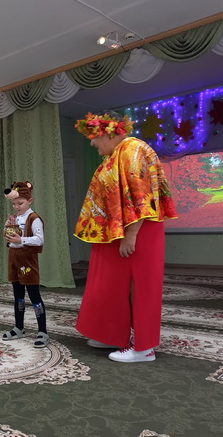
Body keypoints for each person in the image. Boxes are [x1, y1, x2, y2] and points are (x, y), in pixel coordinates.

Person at [73, 111, 177, 363]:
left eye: (93, 136)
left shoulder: (132, 149)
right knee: (111, 284)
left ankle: (143, 348)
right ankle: (112, 335)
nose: (91, 143)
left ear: (109, 133)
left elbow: (142, 195)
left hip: (137, 229)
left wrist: (131, 234)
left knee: (139, 286)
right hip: (120, 230)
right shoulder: (117, 154)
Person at [2, 181, 49, 348]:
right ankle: (19, 328)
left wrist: (20, 240)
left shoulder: (34, 218)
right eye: (14, 204)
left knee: (34, 296)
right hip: (14, 259)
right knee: (18, 296)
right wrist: (7, 230)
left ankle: (42, 331)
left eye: (20, 203)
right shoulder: (15, 218)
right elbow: (11, 239)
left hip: (28, 261)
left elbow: (39, 239)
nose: (16, 207)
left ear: (30, 200)